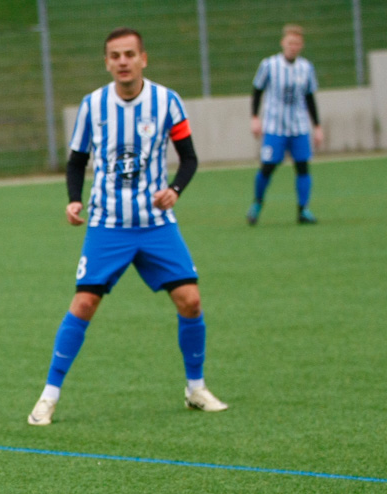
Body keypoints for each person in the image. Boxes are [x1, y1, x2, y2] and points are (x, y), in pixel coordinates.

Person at [27, 27, 228, 427]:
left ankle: (196, 388)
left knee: (190, 300)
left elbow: (188, 159)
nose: (123, 62)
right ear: (107, 62)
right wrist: (73, 198)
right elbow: (75, 161)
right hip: (108, 225)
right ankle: (48, 397)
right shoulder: (93, 105)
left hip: (156, 224)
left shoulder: (167, 101)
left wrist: (174, 190)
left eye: (129, 54)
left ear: (143, 59)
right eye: (115, 56)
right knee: (84, 304)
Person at [246, 24, 322, 225]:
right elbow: (257, 91)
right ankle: (257, 203)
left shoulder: (306, 68)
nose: (293, 47)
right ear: (283, 43)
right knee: (268, 167)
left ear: (301, 45)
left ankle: (303, 210)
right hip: (274, 127)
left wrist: (317, 126)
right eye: (290, 43)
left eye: (297, 43)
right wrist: (254, 117)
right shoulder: (269, 65)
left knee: (303, 167)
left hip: (298, 127)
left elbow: (310, 98)